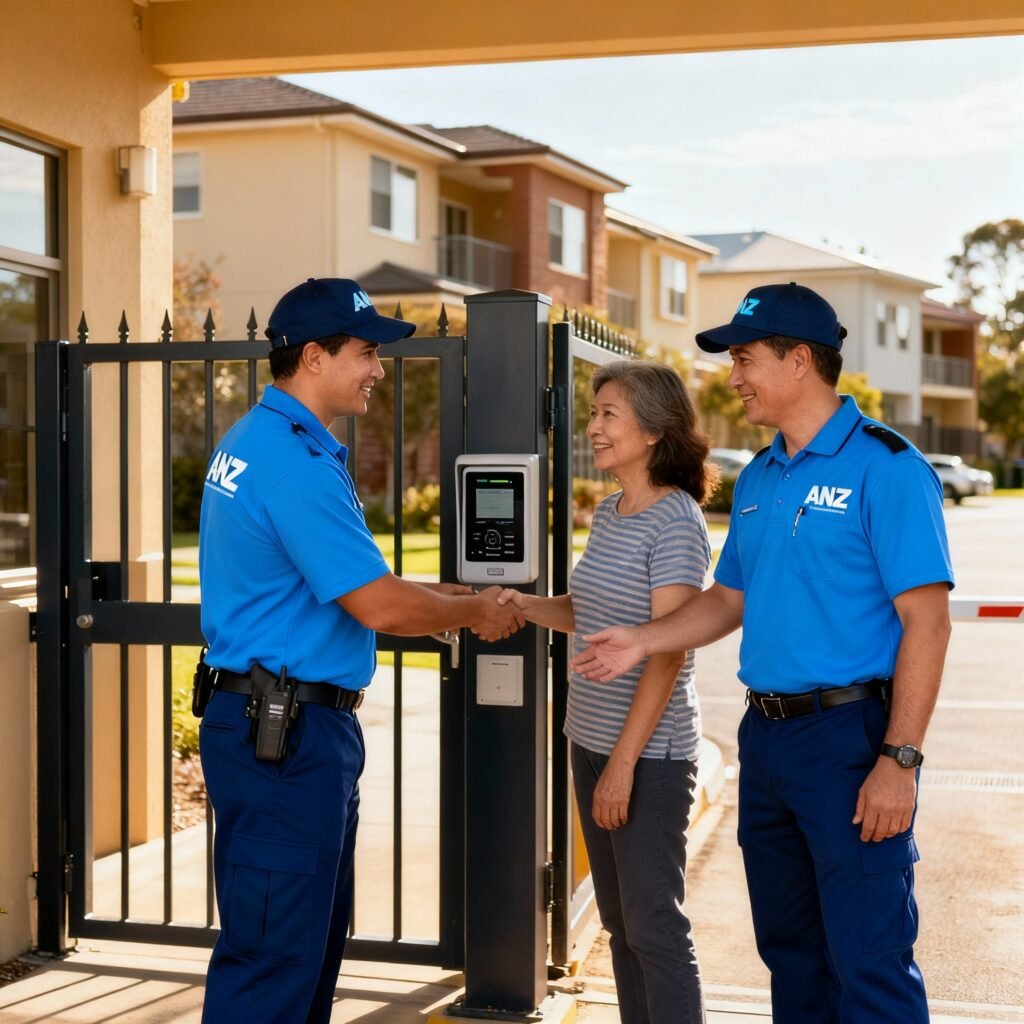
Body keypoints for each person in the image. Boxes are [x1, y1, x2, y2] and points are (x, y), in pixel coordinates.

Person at [572, 282, 953, 1024]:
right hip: (768, 740)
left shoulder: (888, 468)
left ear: (800, 360)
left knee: (869, 959)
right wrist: (643, 640)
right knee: (792, 954)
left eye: (745, 358)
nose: (733, 376)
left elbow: (929, 624)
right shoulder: (760, 476)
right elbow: (728, 601)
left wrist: (899, 759)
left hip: (850, 741)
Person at [196, 277, 523, 1024]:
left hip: (273, 729)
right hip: (285, 739)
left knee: (300, 944)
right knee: (277, 956)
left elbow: (355, 581)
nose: (379, 369)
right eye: (367, 352)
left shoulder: (258, 440)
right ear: (314, 356)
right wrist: (474, 610)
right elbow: (375, 604)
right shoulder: (295, 465)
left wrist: (448, 599)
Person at [500, 360, 716, 1024]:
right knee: (622, 923)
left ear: (653, 429)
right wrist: (525, 606)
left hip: (648, 753)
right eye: (592, 413)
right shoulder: (613, 510)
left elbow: (667, 646)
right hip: (588, 737)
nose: (592, 427)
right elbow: (594, 609)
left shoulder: (675, 520)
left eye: (607, 413)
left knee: (655, 926)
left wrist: (623, 764)